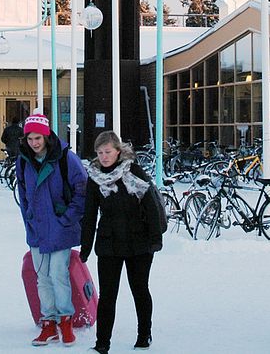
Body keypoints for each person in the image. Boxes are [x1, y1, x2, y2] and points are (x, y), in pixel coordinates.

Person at [80, 131, 164, 354]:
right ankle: (102, 343)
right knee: (107, 295)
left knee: (139, 289)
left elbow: (151, 206)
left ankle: (144, 333)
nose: (104, 156)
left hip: (139, 242)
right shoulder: (94, 177)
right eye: (100, 152)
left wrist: (156, 239)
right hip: (109, 243)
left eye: (108, 152)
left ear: (118, 151)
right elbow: (89, 215)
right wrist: (85, 247)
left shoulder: (133, 171)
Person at [16, 113, 87, 347]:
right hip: (37, 227)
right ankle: (49, 322)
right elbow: (23, 191)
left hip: (60, 227)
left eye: (38, 138)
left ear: (46, 136)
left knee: (58, 274)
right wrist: (28, 217)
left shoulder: (65, 157)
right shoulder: (23, 159)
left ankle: (65, 320)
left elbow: (82, 188)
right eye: (30, 139)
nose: (34, 143)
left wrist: (68, 217)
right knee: (42, 278)